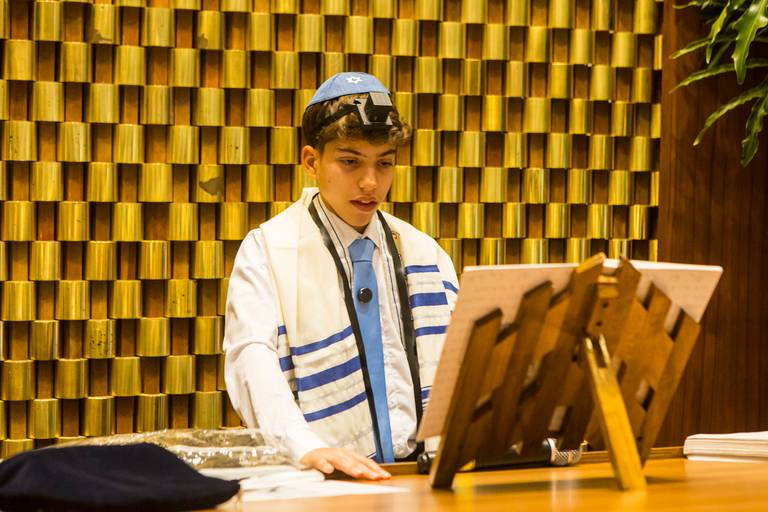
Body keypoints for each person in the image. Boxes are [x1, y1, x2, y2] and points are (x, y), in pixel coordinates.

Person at [223, 72, 459, 480]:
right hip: (321, 476)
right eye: (350, 162)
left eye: (384, 163)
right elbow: (250, 359)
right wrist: (305, 447)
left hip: (418, 475)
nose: (371, 183)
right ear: (312, 161)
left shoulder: (424, 252)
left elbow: (462, 361)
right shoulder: (267, 250)